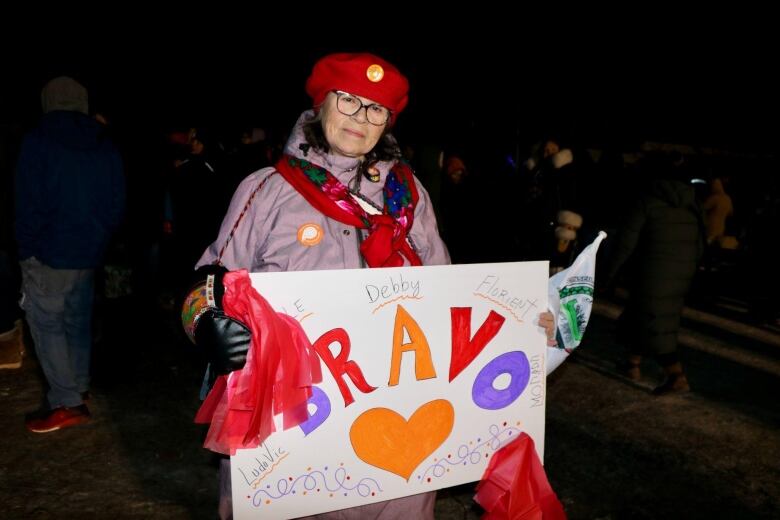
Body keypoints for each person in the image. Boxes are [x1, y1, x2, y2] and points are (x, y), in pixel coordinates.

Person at [181, 52, 557, 519]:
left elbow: (449, 297)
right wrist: (210, 325)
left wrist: (519, 327)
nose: (361, 117)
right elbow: (207, 283)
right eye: (349, 101)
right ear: (321, 105)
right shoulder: (268, 190)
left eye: (376, 108)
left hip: (403, 432)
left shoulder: (410, 194)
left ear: (388, 121)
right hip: (298, 434)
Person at [15, 76, 125, 432]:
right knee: (76, 323)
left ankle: (66, 400)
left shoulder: (38, 141)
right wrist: (100, 240)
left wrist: (28, 248)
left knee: (47, 324)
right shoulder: (104, 143)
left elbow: (27, 201)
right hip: (88, 251)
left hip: (49, 251)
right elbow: (116, 201)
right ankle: (76, 387)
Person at [602, 152, 704, 395]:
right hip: (680, 273)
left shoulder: (646, 201)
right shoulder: (692, 203)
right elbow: (701, 243)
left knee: (655, 326)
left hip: (653, 272)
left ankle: (676, 376)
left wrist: (608, 274)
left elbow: (625, 243)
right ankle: (632, 363)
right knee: (642, 316)